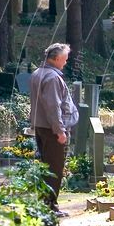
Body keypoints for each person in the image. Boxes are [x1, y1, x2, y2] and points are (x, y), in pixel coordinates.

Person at [30, 43, 79, 216]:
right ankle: (50, 206)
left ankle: (46, 204)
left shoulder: (38, 73)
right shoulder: (52, 78)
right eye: (65, 59)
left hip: (42, 127)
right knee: (54, 168)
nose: (66, 62)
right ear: (56, 58)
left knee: (46, 166)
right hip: (52, 129)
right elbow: (53, 106)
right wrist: (60, 131)